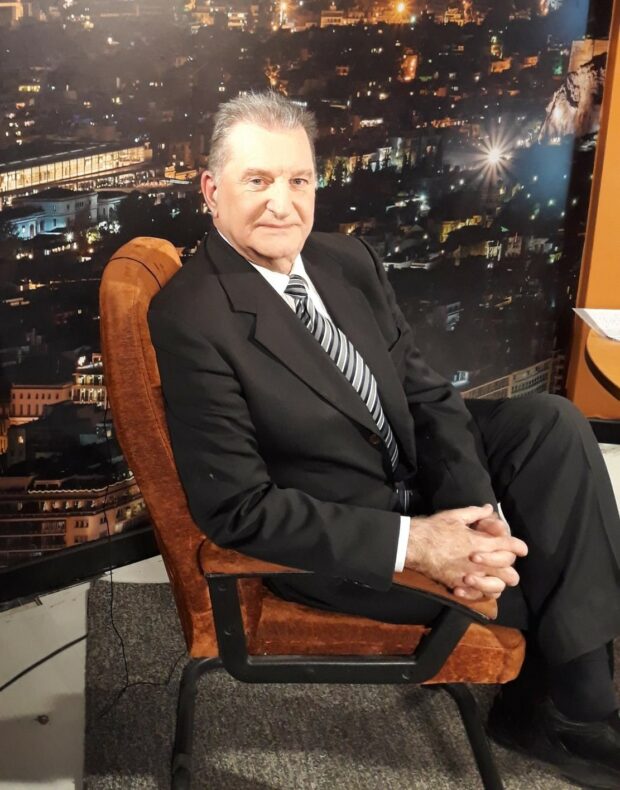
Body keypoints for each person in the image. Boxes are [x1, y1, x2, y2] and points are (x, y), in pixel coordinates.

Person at [147, 92, 620, 787]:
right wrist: (419, 544)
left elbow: (427, 397)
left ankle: (574, 702)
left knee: (552, 423)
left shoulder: (345, 260)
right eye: (258, 180)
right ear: (212, 191)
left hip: (409, 471)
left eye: (299, 179)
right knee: (546, 572)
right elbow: (238, 510)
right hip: (342, 534)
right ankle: (570, 713)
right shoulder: (190, 315)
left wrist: (473, 515)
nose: (282, 204)